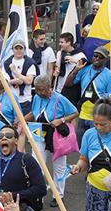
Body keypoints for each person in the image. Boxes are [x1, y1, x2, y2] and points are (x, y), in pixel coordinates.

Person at [25, 75, 79, 203]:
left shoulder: (60, 99)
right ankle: (38, 194)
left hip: (55, 135)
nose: (39, 93)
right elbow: (34, 113)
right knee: (36, 164)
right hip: (37, 130)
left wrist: (61, 120)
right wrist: (21, 119)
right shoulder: (37, 98)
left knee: (59, 166)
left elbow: (75, 112)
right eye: (37, 90)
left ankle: (58, 195)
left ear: (49, 87)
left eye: (42, 90)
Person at [66, 46, 111, 142]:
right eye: (95, 55)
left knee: (96, 143)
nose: (97, 58)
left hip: (98, 116)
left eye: (100, 57)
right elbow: (68, 84)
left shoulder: (109, 75)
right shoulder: (85, 69)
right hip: (82, 115)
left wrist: (108, 116)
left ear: (105, 60)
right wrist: (76, 70)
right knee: (82, 144)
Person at [2, 39, 38, 115]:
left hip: (25, 101)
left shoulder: (29, 63)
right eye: (16, 48)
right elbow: (2, 82)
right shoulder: (7, 63)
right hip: (10, 100)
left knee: (24, 124)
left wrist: (15, 72)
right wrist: (13, 81)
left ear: (24, 49)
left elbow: (29, 81)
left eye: (21, 48)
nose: (18, 51)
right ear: (12, 49)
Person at [54, 32, 87, 96]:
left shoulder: (80, 55)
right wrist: (56, 71)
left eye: (62, 42)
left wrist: (75, 61)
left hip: (72, 88)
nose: (60, 44)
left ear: (68, 43)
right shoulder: (59, 54)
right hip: (59, 88)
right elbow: (57, 67)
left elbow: (86, 67)